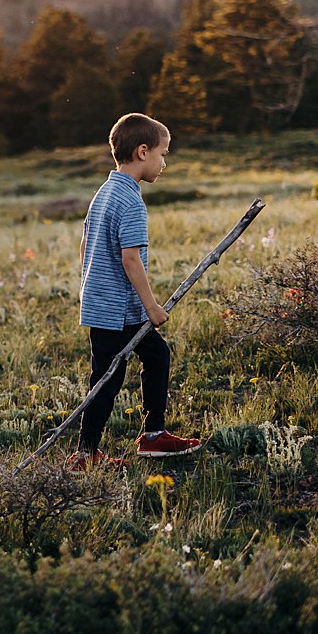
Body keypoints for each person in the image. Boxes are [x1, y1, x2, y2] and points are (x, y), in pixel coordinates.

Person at [71, 113, 204, 467]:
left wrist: (91, 284)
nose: (165, 162)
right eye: (163, 154)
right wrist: (153, 308)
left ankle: (153, 436)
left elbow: (86, 244)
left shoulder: (106, 190)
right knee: (107, 380)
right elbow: (131, 260)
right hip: (118, 310)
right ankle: (86, 454)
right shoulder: (130, 201)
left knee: (156, 357)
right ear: (142, 152)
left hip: (109, 304)